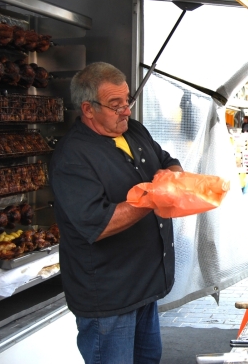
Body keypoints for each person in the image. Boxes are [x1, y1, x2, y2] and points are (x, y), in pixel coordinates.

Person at [49, 62, 184, 363]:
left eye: (127, 102)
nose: (126, 111)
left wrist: (174, 177)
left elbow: (167, 160)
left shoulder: (132, 130)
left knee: (149, 359)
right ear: (88, 109)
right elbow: (100, 223)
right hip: (109, 298)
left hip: (145, 286)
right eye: (115, 105)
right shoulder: (72, 157)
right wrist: (153, 195)